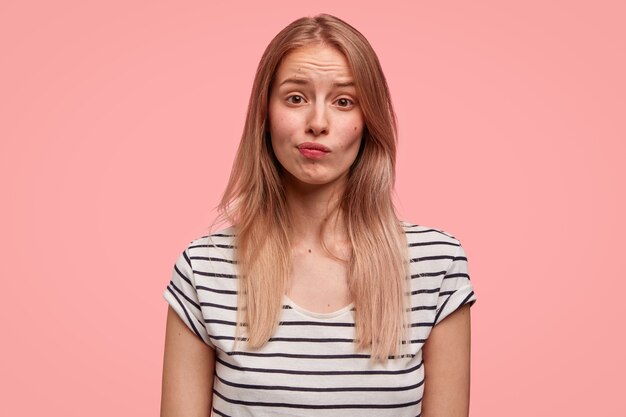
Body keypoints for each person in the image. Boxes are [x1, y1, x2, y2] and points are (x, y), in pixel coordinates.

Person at [161, 13, 476, 417]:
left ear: (368, 122)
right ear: (265, 113)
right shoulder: (205, 269)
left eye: (344, 102)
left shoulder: (437, 264)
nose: (318, 123)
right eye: (296, 98)